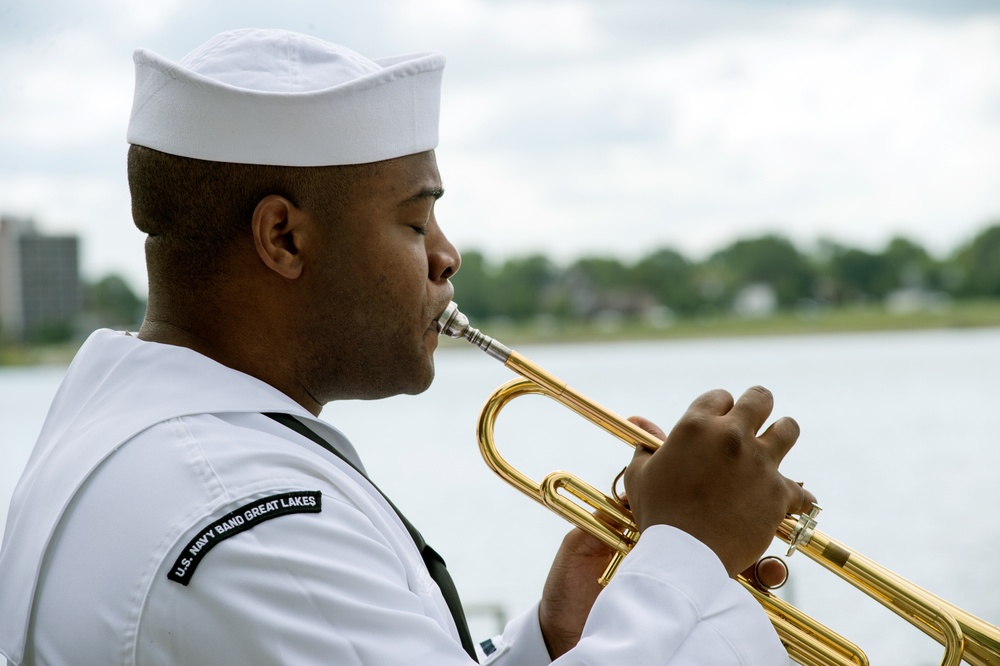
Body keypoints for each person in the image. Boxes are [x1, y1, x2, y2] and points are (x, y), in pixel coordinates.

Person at [0, 29, 814, 665]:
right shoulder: (250, 520)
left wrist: (555, 641)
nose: (445, 256)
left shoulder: (144, 436)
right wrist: (685, 555)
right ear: (283, 237)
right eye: (414, 220)